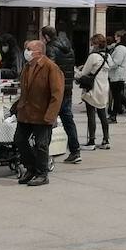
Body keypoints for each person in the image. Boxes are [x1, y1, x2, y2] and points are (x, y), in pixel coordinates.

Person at [13, 39, 64, 185]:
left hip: (42, 114)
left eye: (29, 49)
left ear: (39, 52)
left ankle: (42, 174)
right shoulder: (27, 66)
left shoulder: (51, 67)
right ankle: (30, 168)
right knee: (19, 140)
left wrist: (51, 115)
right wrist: (17, 106)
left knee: (41, 145)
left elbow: (57, 94)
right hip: (25, 112)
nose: (26, 52)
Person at [41, 26, 81, 163]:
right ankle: (75, 151)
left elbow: (50, 68)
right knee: (68, 121)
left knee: (48, 121)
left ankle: (44, 153)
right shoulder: (69, 48)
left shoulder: (51, 48)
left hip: (56, 90)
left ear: (46, 36)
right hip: (68, 89)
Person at [78, 34, 112, 149]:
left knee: (91, 114)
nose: (91, 46)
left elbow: (84, 73)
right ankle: (106, 140)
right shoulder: (108, 56)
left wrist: (78, 71)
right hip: (104, 88)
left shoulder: (93, 56)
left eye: (92, 43)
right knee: (103, 115)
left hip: (93, 89)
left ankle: (91, 141)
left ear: (96, 44)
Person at [107, 31, 126, 124]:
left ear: (118, 37)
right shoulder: (123, 47)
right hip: (119, 74)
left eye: (116, 35)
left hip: (117, 74)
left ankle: (113, 116)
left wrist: (108, 61)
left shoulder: (120, 48)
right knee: (118, 95)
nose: (114, 37)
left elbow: (116, 62)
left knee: (117, 95)